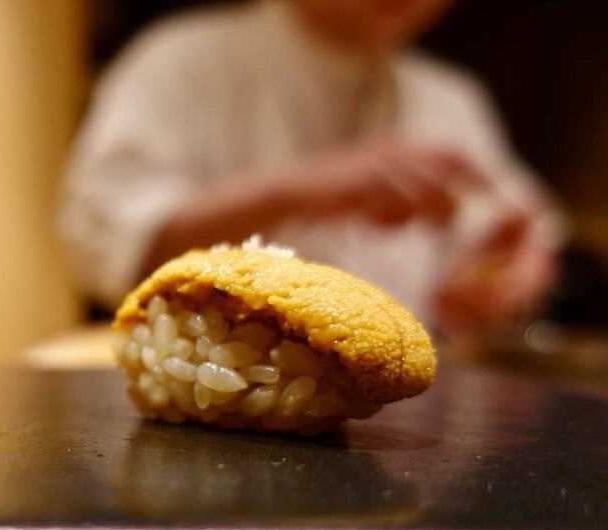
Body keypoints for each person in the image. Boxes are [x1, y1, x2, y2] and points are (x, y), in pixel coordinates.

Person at [58, 0, 562, 340]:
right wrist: (302, 187)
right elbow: (106, 239)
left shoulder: (449, 99)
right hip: (216, 390)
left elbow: (525, 232)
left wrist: (507, 279)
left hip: (409, 419)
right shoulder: (181, 60)